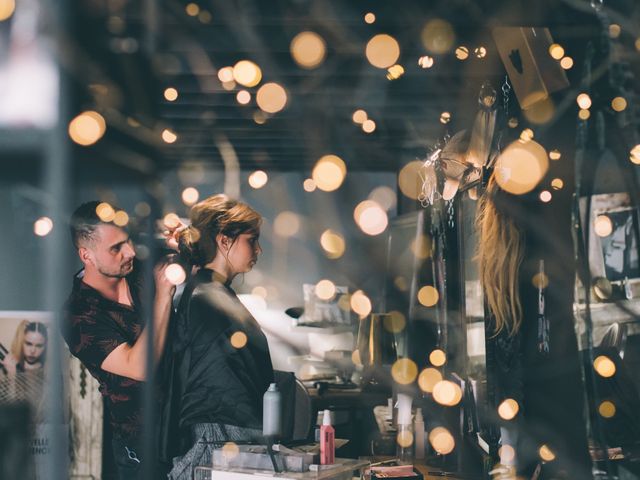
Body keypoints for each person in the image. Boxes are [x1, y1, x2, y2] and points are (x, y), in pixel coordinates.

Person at [477, 175, 592, 479]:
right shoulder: (538, 263)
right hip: (543, 425)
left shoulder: (496, 269)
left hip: (516, 427)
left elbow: (507, 368)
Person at [158, 194, 274, 480]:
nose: (258, 249)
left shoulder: (209, 293)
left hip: (228, 433)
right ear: (224, 240)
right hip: (221, 436)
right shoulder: (207, 298)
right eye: (252, 239)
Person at [63, 201, 175, 479]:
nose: (131, 252)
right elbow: (139, 367)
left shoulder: (139, 269)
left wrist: (180, 240)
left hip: (186, 426)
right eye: (116, 248)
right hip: (141, 443)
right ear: (86, 255)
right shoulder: (78, 316)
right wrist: (162, 298)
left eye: (129, 242)